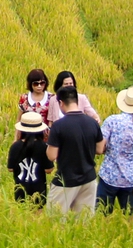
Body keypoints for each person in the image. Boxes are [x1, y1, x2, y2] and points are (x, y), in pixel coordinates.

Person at [44, 84, 106, 217]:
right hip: (89, 178)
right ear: (77, 100)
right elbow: (100, 149)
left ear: (61, 103)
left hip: (65, 180)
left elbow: (51, 155)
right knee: (83, 223)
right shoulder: (92, 123)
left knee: (54, 220)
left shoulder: (59, 126)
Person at [97, 87, 133, 213]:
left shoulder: (111, 121)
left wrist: (109, 149)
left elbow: (100, 149)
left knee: (102, 213)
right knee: (128, 214)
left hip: (109, 174)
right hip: (129, 176)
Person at [7, 112, 52, 205]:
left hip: (20, 190)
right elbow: (48, 170)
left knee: (22, 215)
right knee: (37, 217)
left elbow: (10, 168)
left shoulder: (15, 146)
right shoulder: (43, 146)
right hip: (39, 191)